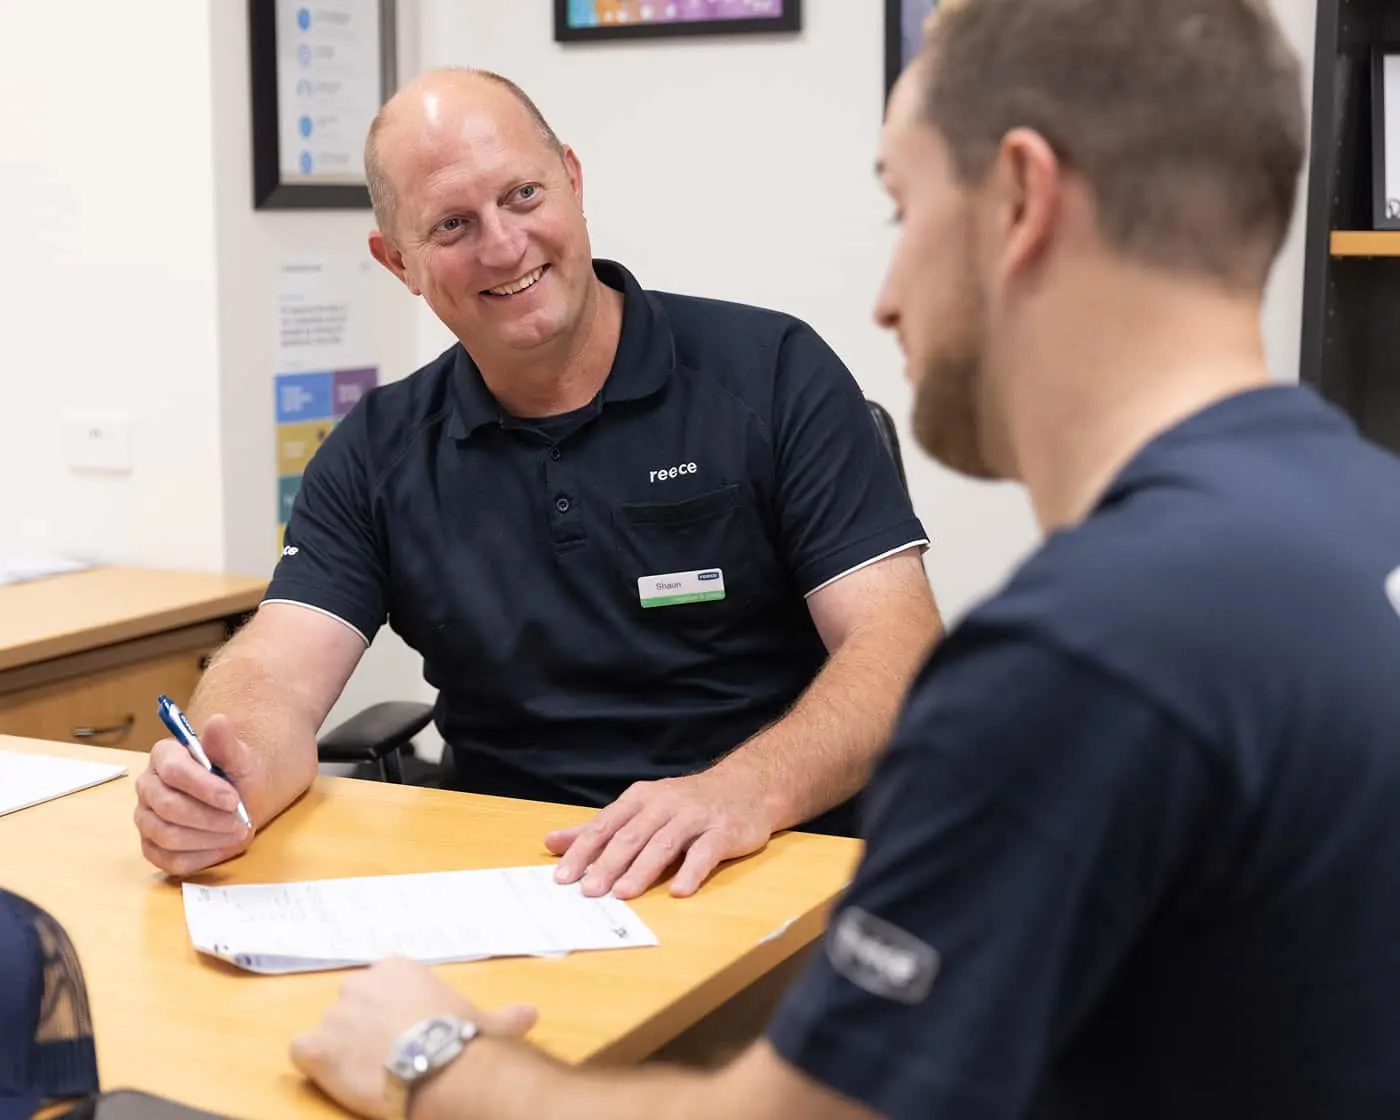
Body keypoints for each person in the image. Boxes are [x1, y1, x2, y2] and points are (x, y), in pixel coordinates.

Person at [287, 0, 1400, 1117]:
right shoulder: (1352, 519)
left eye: (900, 207)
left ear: (1020, 202)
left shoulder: (1086, 659)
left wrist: (429, 1058)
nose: (885, 295)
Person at [131, 67, 941, 899]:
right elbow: (276, 667)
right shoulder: (377, 449)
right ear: (398, 261)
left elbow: (898, 648)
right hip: (512, 883)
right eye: (452, 224)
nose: (504, 245)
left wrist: (743, 792)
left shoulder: (772, 374)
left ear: (574, 182)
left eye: (522, 194)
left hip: (763, 861)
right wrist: (227, 771)